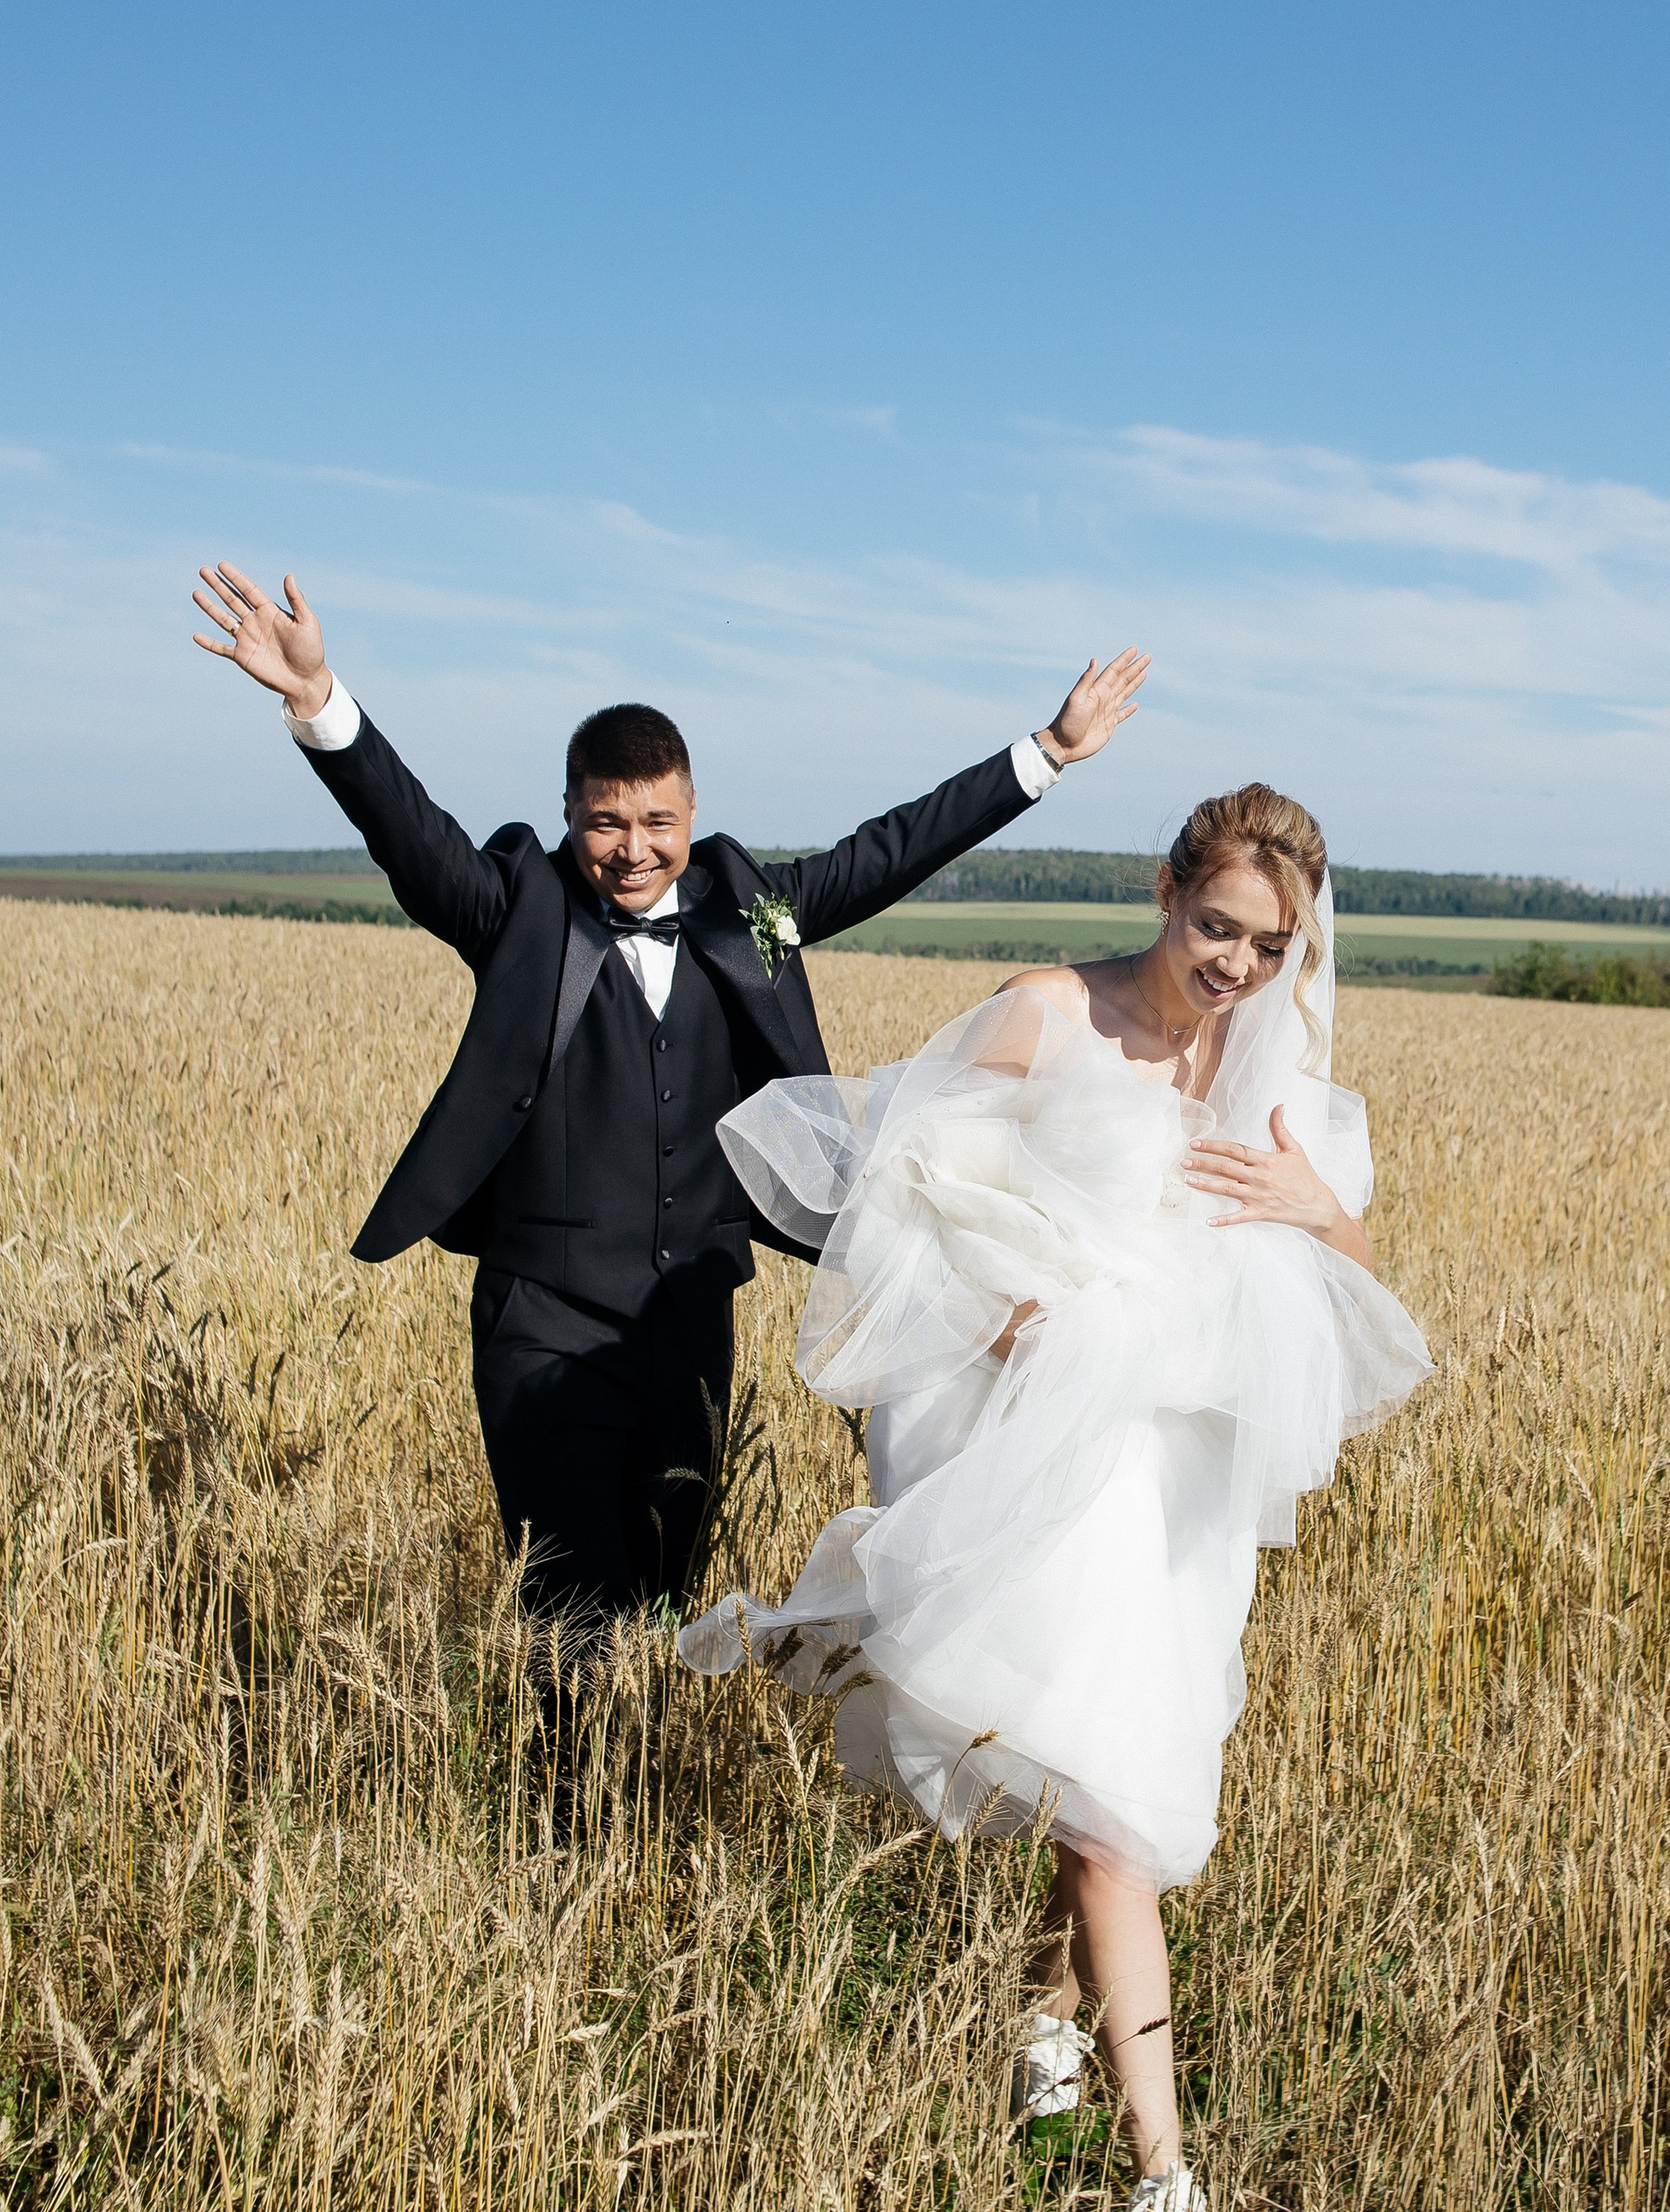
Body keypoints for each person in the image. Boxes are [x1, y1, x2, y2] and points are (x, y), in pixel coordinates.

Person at [678, 780, 1432, 2212]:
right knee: (1111, 1825)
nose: (1233, 963)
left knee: (1106, 1783)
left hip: (1172, 1490)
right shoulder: (1048, 1014)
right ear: (1165, 888)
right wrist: (993, 1305)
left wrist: (1317, 1210)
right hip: (1047, 1463)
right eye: (1216, 924)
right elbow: (891, 1189)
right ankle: (1166, 2185)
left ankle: (1044, 2031)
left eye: (1267, 943)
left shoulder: (1270, 1070)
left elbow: (1352, 1304)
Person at [190, 555, 1149, 1621]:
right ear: (568, 816)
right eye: (606, 823)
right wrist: (321, 703)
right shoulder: (519, 912)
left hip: (693, 1316)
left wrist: (1049, 752)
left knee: (661, 1594)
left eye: (658, 824)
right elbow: (410, 840)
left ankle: (620, 1781)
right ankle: (564, 1792)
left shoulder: (753, 918)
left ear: (691, 816)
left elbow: (889, 853)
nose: (632, 850)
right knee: (568, 1607)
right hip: (542, 1318)